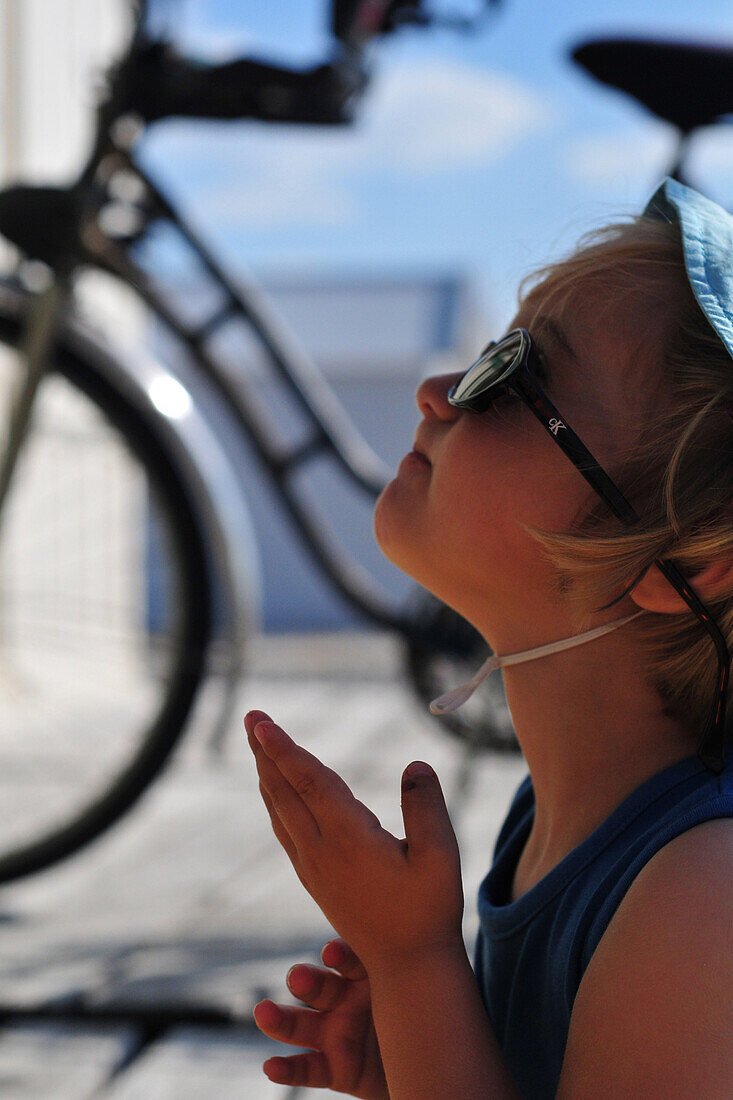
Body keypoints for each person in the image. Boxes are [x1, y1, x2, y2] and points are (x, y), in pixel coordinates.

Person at [246, 177, 733, 1099]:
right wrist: (429, 1056)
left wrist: (412, 965)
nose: (438, 392)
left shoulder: (704, 897)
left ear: (686, 564)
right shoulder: (549, 816)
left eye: (512, 381)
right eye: (487, 353)